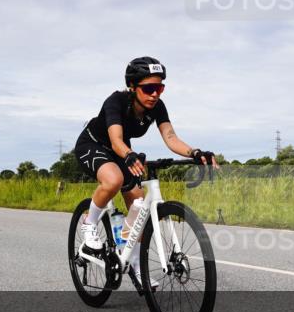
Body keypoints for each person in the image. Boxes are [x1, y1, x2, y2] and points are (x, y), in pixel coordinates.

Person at [74, 57, 217, 283]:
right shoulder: (116, 101)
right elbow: (116, 140)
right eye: (149, 88)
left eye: (159, 88)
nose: (155, 94)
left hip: (122, 149)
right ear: (133, 86)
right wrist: (129, 154)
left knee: (138, 204)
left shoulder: (157, 107)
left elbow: (170, 137)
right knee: (113, 180)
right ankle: (89, 224)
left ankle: (131, 259)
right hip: (95, 144)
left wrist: (195, 153)